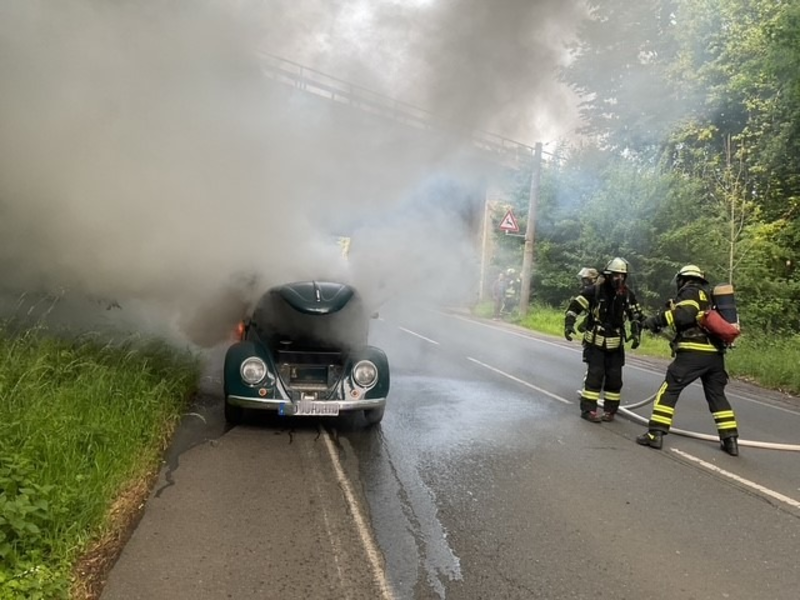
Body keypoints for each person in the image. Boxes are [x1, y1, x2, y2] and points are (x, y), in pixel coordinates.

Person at [637, 264, 740, 456]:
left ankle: (655, 434)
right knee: (717, 396)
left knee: (669, 390)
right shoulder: (707, 297)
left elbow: (684, 315)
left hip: (694, 352)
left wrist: (656, 320)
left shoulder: (690, 292)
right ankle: (730, 440)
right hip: (715, 356)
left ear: (682, 279)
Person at [564, 257, 645, 422]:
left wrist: (636, 333)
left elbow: (635, 315)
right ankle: (588, 411)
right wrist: (569, 324)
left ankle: (610, 411)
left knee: (615, 379)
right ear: (608, 275)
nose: (619, 279)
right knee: (595, 376)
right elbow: (575, 307)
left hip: (616, 343)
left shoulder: (627, 295)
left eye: (622, 276)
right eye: (616, 275)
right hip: (595, 342)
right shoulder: (595, 291)